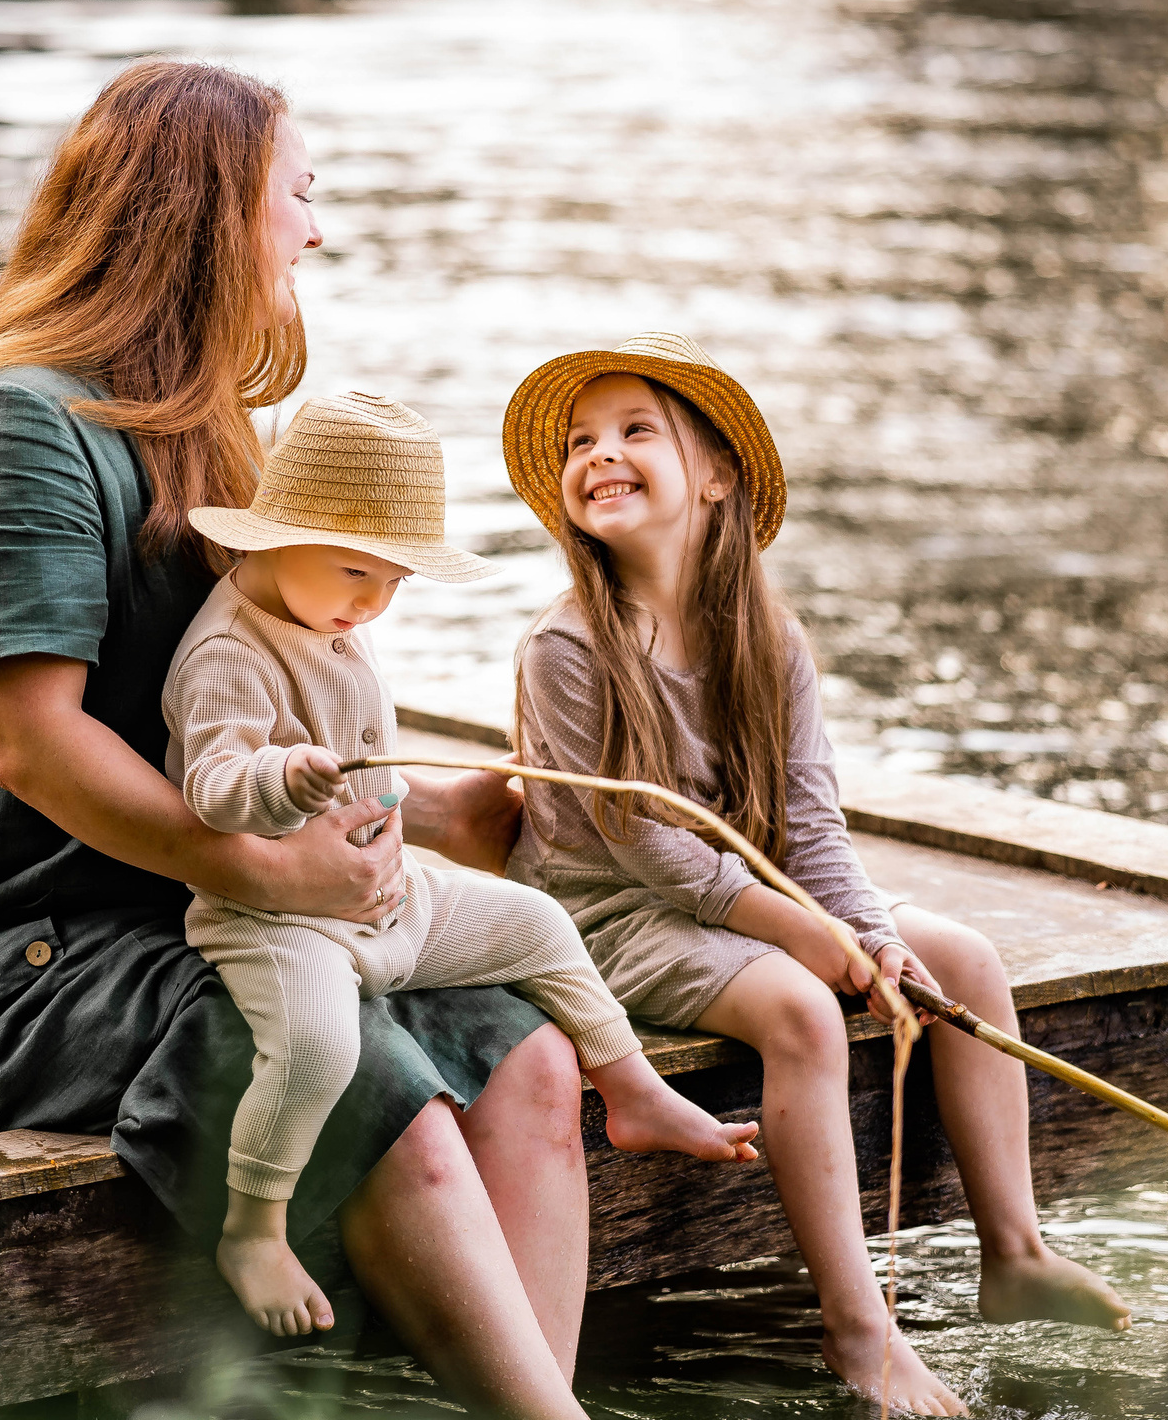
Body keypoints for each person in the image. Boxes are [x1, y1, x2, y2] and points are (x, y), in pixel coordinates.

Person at [0, 59, 639, 1420]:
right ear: (213, 208)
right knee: (382, 1085)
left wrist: (447, 809)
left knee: (527, 1053)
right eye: (301, 193)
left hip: (224, 903)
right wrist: (254, 863)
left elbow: (258, 713)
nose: (315, 230)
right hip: (37, 958)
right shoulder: (20, 428)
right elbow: (27, 741)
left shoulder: (205, 431)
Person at [500, 332, 1133, 1419]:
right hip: (605, 913)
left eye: (633, 431)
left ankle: (1014, 1249)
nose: (598, 454)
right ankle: (856, 1325)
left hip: (741, 897)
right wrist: (802, 938)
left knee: (963, 962)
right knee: (803, 1009)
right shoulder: (567, 649)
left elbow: (810, 826)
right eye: (578, 442)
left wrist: (868, 935)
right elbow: (638, 841)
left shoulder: (766, 638)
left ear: (715, 478)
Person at [162, 388, 759, 1337]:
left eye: (394, 580)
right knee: (319, 1044)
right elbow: (215, 784)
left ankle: (632, 1086)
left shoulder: (328, 618)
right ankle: (255, 1225)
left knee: (539, 923)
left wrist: (412, 813)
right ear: (271, 541)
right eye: (359, 571)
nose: (374, 601)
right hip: (277, 917)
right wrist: (287, 776)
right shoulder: (230, 652)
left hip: (386, 898)